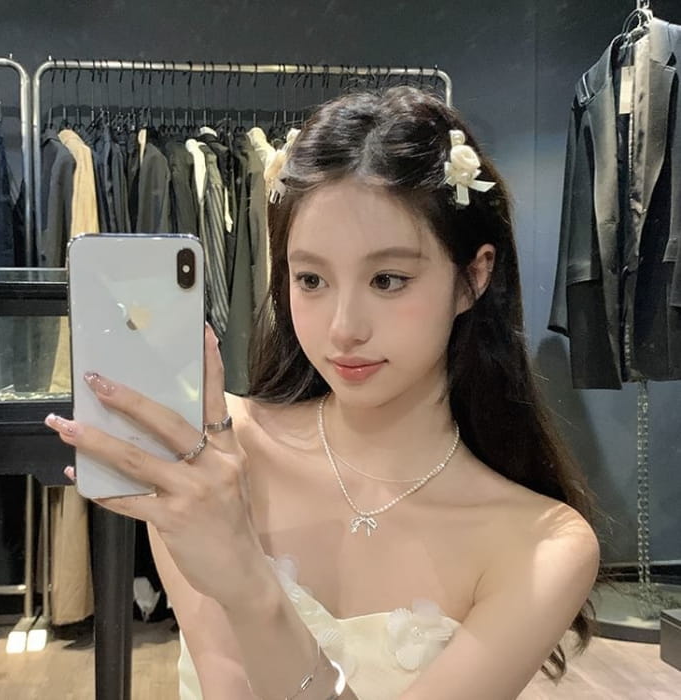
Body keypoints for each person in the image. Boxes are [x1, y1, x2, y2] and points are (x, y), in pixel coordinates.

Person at [46, 86, 602, 700]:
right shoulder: (214, 459)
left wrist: (250, 589)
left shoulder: (542, 546)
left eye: (387, 279)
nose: (343, 329)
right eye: (310, 279)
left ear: (474, 277)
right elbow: (223, 685)